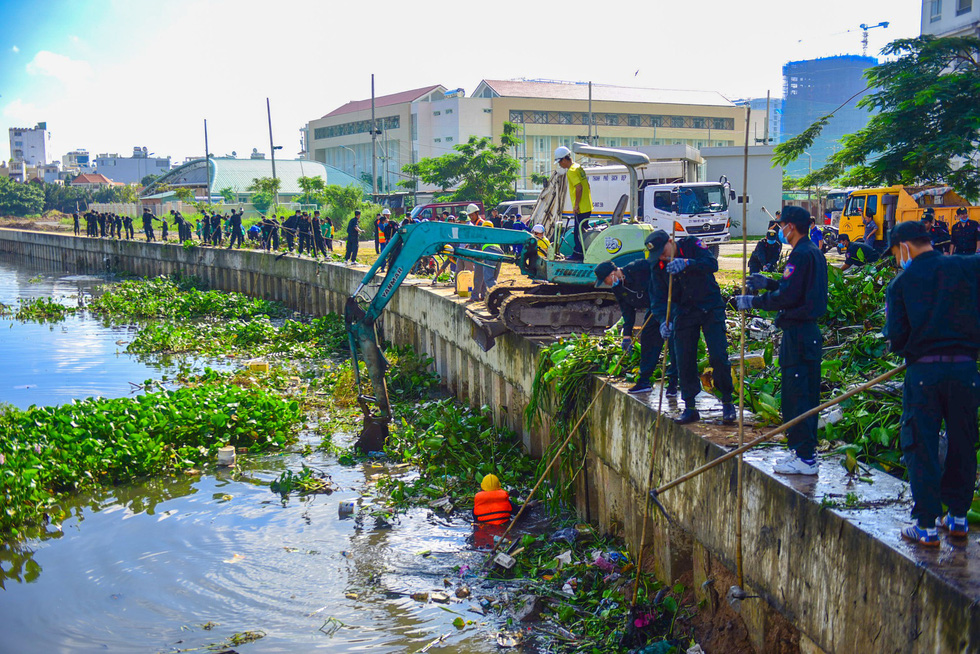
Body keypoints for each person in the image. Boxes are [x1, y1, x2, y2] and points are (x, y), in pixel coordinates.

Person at [884, 220, 980, 547]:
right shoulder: (967, 266)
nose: (898, 258)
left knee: (920, 444)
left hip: (924, 374)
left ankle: (925, 524)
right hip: (966, 371)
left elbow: (896, 338)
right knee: (963, 441)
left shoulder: (901, 284)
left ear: (905, 247)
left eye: (896, 252)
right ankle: (958, 517)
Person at [735, 206, 828, 475]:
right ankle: (802, 452)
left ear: (791, 226)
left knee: (797, 396)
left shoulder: (800, 255)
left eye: (782, 225)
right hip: (805, 334)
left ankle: (805, 457)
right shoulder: (812, 253)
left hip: (799, 334)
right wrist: (770, 283)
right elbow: (796, 290)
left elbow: (788, 298)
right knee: (802, 393)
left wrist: (755, 300)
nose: (780, 231)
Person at [646, 229, 736, 425]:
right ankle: (690, 406)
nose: (663, 257)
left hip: (710, 307)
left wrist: (688, 263)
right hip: (684, 311)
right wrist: (663, 321)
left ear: (671, 241)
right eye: (658, 255)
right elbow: (658, 298)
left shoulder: (691, 245)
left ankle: (728, 401)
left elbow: (712, 264)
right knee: (684, 359)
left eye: (663, 252)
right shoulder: (658, 265)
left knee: (718, 356)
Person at [594, 259, 678, 396]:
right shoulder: (618, 287)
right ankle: (644, 381)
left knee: (674, 343)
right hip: (653, 310)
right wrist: (627, 335)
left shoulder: (638, 267)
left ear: (612, 274)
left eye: (605, 280)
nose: (606, 284)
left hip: (669, 305)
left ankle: (673, 383)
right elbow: (627, 311)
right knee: (648, 341)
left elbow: (661, 270)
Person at [555, 145, 592, 261]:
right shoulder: (578, 167)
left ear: (564, 159)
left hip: (581, 207)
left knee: (577, 232)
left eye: (560, 162)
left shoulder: (571, 171)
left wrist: (576, 205)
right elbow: (587, 186)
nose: (560, 165)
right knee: (583, 231)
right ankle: (583, 252)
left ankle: (577, 254)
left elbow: (579, 187)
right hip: (587, 205)